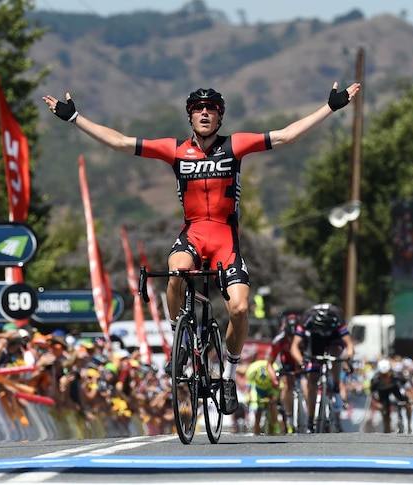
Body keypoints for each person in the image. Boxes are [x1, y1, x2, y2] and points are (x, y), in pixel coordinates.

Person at [43, 81, 360, 415]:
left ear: (220, 117)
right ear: (190, 116)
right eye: (198, 109)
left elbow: (285, 136)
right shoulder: (175, 150)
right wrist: (75, 117)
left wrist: (330, 107)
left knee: (239, 309)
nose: (205, 113)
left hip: (226, 239)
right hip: (193, 234)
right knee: (176, 272)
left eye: (211, 109)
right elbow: (121, 142)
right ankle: (179, 343)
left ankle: (228, 375)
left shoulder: (235, 146)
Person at [288, 302, 354, 433]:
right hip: (315, 339)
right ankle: (310, 419)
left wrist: (348, 360)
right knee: (312, 379)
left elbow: (349, 345)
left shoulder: (337, 318)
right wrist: (302, 362)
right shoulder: (307, 319)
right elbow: (294, 347)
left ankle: (335, 384)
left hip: (334, 338)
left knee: (336, 352)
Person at [268, 311, 303, 432]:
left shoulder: (305, 336)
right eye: (290, 337)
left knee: (307, 382)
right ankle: (288, 416)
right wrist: (274, 379)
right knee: (288, 386)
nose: (292, 339)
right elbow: (269, 364)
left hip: (302, 360)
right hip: (287, 363)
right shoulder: (279, 340)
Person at [370, 358, 410, 433]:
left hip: (395, 389)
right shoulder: (375, 380)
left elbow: (406, 386)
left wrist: (407, 399)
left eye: (387, 374)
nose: (385, 377)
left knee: (408, 403)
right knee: (385, 413)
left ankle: (409, 423)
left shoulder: (396, 375)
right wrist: (377, 404)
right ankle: (386, 431)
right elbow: (372, 395)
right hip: (383, 393)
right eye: (383, 375)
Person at [243, 359, 282, 435]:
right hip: (258, 390)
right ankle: (256, 431)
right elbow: (248, 386)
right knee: (258, 412)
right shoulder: (251, 369)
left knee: (273, 404)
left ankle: (275, 426)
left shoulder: (275, 368)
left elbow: (279, 386)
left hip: (271, 388)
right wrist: (248, 397)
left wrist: (275, 397)